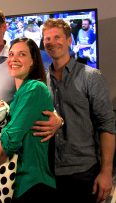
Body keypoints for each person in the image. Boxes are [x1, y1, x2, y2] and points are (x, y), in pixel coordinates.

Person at [0, 7, 62, 203]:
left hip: (15, 163)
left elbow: (42, 98)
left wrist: (58, 120)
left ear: (4, 27)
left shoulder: (19, 62)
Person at [42, 18, 115, 203]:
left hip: (84, 172)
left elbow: (107, 126)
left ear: (69, 41)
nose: (51, 42)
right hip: (49, 172)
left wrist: (106, 172)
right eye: (47, 39)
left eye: (57, 37)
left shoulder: (91, 77)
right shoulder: (41, 81)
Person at [0, 37, 56, 203]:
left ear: (33, 61)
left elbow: (11, 138)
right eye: (11, 54)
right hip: (16, 183)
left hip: (32, 183)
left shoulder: (34, 88)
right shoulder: (18, 96)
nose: (13, 59)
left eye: (22, 54)